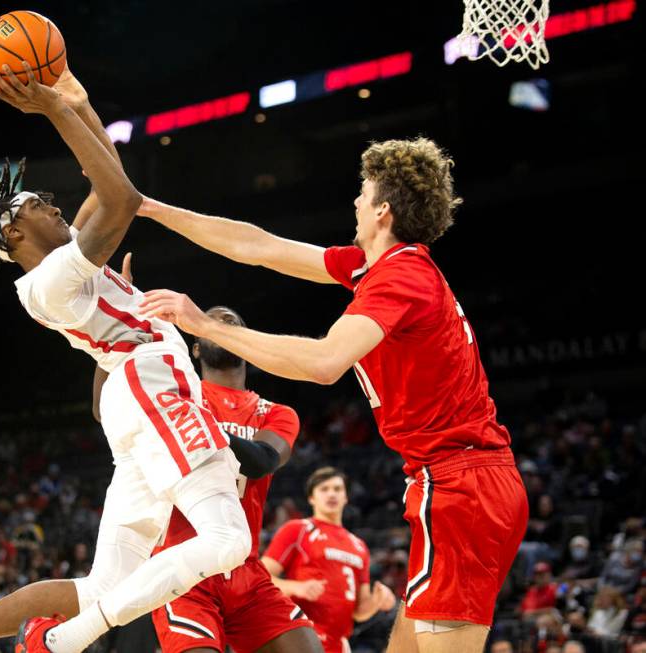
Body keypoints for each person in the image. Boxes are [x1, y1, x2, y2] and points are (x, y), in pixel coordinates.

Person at [0, 62, 250, 653]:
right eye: (35, 204)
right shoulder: (48, 280)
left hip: (140, 396)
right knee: (229, 541)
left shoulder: (67, 260)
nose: (51, 204)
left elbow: (109, 182)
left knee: (105, 584)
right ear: (12, 236)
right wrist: (55, 110)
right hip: (152, 386)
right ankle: (58, 644)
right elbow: (123, 199)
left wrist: (79, 102)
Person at [136, 137, 529, 653]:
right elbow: (258, 247)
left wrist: (201, 322)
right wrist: (147, 207)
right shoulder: (380, 268)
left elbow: (324, 363)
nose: (355, 204)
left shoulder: (401, 275)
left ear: (383, 210)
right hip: (459, 482)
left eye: (363, 195)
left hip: (462, 486)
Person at [116, 305, 321, 653]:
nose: (220, 323)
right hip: (183, 566)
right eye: (210, 320)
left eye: (231, 322)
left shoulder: (276, 413)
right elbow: (101, 409)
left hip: (246, 569)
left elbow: (262, 461)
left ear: (241, 341)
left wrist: (195, 423)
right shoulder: (179, 393)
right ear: (195, 348)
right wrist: (117, 334)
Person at [263, 467, 396, 653]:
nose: (331, 494)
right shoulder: (297, 529)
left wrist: (378, 602)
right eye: (324, 489)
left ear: (346, 497)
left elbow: (359, 611)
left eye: (337, 489)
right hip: (301, 635)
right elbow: (260, 577)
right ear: (311, 498)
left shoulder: (359, 545)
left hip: (339, 642)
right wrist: (296, 587)